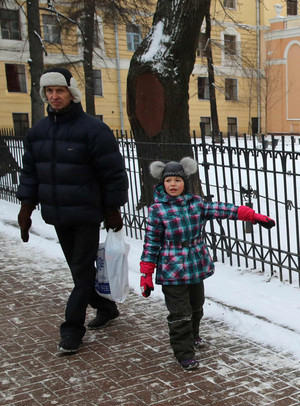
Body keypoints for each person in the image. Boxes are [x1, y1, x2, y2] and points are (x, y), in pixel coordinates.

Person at [16, 67, 128, 355]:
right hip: (57, 214)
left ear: (71, 93)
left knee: (80, 274)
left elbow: (112, 172)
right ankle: (105, 307)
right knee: (80, 272)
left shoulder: (93, 130)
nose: (54, 96)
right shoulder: (38, 131)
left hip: (87, 215)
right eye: (49, 92)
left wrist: (112, 209)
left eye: (60, 91)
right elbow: (30, 173)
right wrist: (26, 208)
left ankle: (71, 331)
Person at [140, 157, 276, 371]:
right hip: (171, 270)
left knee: (196, 307)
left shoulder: (197, 204)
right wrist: (146, 275)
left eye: (177, 180)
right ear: (162, 184)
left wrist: (254, 216)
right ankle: (184, 353)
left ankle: (193, 336)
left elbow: (224, 209)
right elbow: (151, 243)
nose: (173, 185)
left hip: (195, 265)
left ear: (185, 182)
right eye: (168, 181)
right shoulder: (158, 210)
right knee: (179, 313)